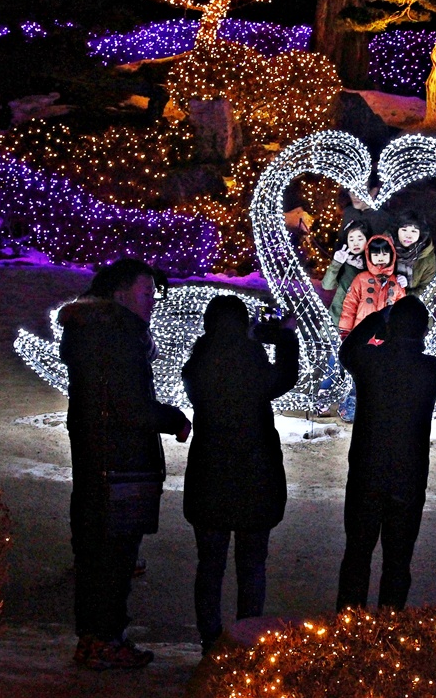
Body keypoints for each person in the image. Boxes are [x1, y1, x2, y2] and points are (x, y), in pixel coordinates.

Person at [58, 258, 191, 670]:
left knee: (97, 556)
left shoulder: (90, 331)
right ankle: (106, 641)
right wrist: (172, 418)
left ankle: (93, 639)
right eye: (145, 293)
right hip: (119, 464)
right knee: (113, 559)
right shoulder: (118, 336)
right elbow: (130, 407)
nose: (152, 301)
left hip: (95, 460)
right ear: (120, 295)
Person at [181, 296, 299, 654]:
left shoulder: (198, 366)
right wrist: (283, 336)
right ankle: (246, 640)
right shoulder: (253, 367)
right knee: (251, 565)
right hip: (255, 478)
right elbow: (286, 376)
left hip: (209, 476)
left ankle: (210, 639)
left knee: (210, 564)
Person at [336, 295, 436, 612]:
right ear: (423, 331)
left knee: (357, 555)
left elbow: (347, 352)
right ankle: (390, 627)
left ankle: (350, 626)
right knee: (398, 562)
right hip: (408, 477)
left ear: (391, 327)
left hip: (366, 473)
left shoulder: (371, 361)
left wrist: (376, 320)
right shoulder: (431, 370)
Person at [336, 235, 406, 422]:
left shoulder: (396, 283)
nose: (380, 258)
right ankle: (351, 405)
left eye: (384, 253)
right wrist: (345, 330)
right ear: (369, 256)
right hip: (361, 335)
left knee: (380, 373)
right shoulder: (361, 279)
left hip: (385, 337)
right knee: (359, 372)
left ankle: (376, 407)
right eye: (376, 254)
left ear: (391, 255)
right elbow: (350, 305)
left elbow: (402, 310)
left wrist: (400, 334)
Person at [317, 220, 370, 415]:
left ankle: (350, 403)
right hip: (338, 319)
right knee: (335, 359)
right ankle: (323, 398)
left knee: (356, 363)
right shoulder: (343, 260)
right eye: (351, 238)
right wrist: (337, 263)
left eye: (360, 238)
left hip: (362, 321)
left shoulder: (372, 262)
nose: (355, 243)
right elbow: (327, 285)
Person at [392, 210, 436, 298]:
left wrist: (403, 295)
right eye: (404, 230)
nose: (408, 236)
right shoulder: (387, 247)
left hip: (410, 301)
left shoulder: (426, 255)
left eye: (414, 231)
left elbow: (428, 288)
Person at [339, 179, 389, 243]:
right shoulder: (349, 212)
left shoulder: (383, 218)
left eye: (361, 191)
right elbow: (341, 241)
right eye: (352, 190)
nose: (355, 196)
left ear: (374, 191)